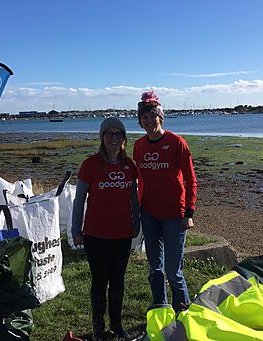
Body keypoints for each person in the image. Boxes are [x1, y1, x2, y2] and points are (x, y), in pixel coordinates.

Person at [71, 117, 140, 341]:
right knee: (99, 281)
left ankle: (117, 325)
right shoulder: (89, 165)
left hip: (122, 234)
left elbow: (134, 200)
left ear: (124, 139)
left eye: (118, 134)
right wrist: (75, 230)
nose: (113, 138)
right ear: (102, 137)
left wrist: (136, 225)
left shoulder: (129, 165)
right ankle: (98, 327)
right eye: (109, 134)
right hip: (95, 234)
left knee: (118, 280)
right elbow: (79, 200)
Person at [133, 91, 198, 312]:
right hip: (149, 214)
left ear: (160, 117)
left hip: (175, 215)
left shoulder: (176, 142)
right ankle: (160, 308)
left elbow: (190, 179)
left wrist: (189, 212)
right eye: (144, 118)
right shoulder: (139, 146)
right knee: (155, 268)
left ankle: (183, 313)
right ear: (140, 121)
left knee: (173, 271)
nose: (149, 121)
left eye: (153, 116)